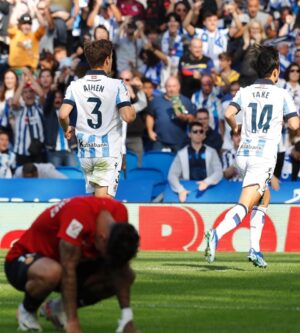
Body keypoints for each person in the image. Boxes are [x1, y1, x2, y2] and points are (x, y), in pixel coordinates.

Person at [205, 45, 300, 268]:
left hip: (244, 155)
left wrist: (235, 127)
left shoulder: (245, 91)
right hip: (263, 157)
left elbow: (228, 114)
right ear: (276, 71)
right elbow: (294, 123)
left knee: (263, 197)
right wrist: (287, 122)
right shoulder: (281, 93)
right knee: (245, 204)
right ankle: (216, 234)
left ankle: (255, 249)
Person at [3, 196, 140, 333]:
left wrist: (127, 318)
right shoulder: (78, 216)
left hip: (64, 264)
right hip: (23, 260)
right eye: (107, 253)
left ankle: (57, 308)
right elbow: (68, 270)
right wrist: (72, 322)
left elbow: (120, 268)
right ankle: (27, 310)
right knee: (52, 272)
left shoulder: (120, 214)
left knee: (127, 276)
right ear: (102, 238)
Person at [59, 39, 136, 198]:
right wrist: (132, 108)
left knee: (96, 200)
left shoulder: (75, 85)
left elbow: (63, 114)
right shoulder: (116, 85)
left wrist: (67, 127)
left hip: (86, 152)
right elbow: (127, 116)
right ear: (108, 59)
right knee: (103, 204)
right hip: (107, 153)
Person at [167, 121, 223, 203]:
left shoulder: (212, 152)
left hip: (208, 190)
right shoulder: (181, 154)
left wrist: (207, 182)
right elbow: (172, 175)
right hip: (187, 190)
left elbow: (219, 172)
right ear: (189, 134)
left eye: (201, 131)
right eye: (195, 132)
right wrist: (180, 190)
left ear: (204, 135)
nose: (198, 134)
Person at [145, 76, 196, 152]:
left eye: (174, 86)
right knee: (157, 162)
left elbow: (193, 119)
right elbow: (150, 116)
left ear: (179, 87)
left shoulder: (186, 101)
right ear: (165, 87)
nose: (171, 89)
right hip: (159, 141)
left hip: (179, 142)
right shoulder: (157, 100)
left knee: (179, 163)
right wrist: (150, 131)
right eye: (169, 86)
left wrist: (185, 118)